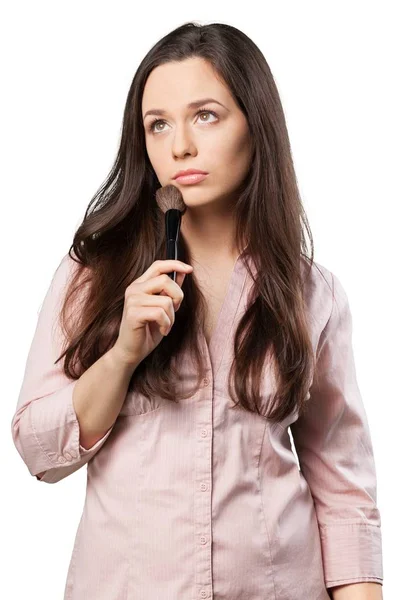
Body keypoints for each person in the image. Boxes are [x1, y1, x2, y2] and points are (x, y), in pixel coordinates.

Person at [10, 21, 383, 600]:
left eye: (205, 115)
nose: (179, 144)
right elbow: (40, 454)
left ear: (254, 126)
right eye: (158, 125)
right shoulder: (93, 273)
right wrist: (123, 354)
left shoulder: (313, 293)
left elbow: (343, 488)